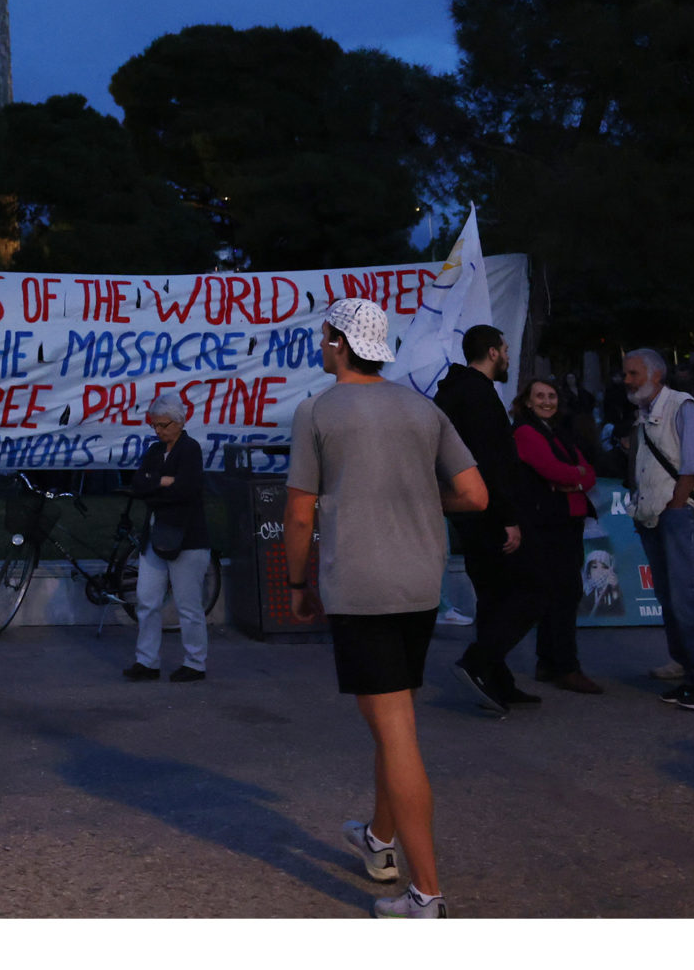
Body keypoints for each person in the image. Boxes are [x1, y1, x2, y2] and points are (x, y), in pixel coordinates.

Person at [284, 297, 485, 920]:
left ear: (341, 343)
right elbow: (474, 496)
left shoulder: (317, 410)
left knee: (396, 732)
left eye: (324, 337)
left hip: (363, 586)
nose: (321, 346)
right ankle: (380, 839)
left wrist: (297, 584)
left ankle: (425, 895)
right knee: (393, 719)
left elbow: (298, 512)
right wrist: (420, 504)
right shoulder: (422, 408)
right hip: (420, 585)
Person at [619, 349, 694, 711]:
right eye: (625, 374)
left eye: (633, 374)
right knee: (672, 601)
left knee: (688, 599)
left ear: (656, 375)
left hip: (677, 516)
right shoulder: (644, 414)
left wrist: (676, 503)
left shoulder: (683, 406)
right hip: (655, 517)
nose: (626, 380)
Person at [433, 324, 533, 715]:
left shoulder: (457, 392)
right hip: (486, 511)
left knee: (494, 596)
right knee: (530, 590)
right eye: (505, 349)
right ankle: (478, 663)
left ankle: (497, 678)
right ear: (492, 352)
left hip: (471, 509)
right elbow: (491, 462)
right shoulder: (477, 394)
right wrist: (507, 516)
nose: (508, 356)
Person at [507, 374, 601, 694]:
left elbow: (588, 472)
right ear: (528, 401)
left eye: (552, 395)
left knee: (559, 595)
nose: (547, 401)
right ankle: (565, 666)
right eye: (540, 396)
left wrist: (572, 480)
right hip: (549, 524)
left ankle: (549, 662)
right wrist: (575, 477)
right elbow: (554, 470)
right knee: (563, 595)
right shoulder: (527, 432)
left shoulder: (557, 432)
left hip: (565, 521)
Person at [122, 389, 209, 684]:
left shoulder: (191, 449)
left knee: (188, 604)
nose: (158, 431)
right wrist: (161, 482)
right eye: (155, 425)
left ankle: (195, 662)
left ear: (180, 422)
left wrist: (153, 488)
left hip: (188, 537)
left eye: (163, 425)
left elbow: (186, 489)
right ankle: (147, 660)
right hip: (156, 534)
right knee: (146, 600)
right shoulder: (155, 452)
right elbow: (138, 483)